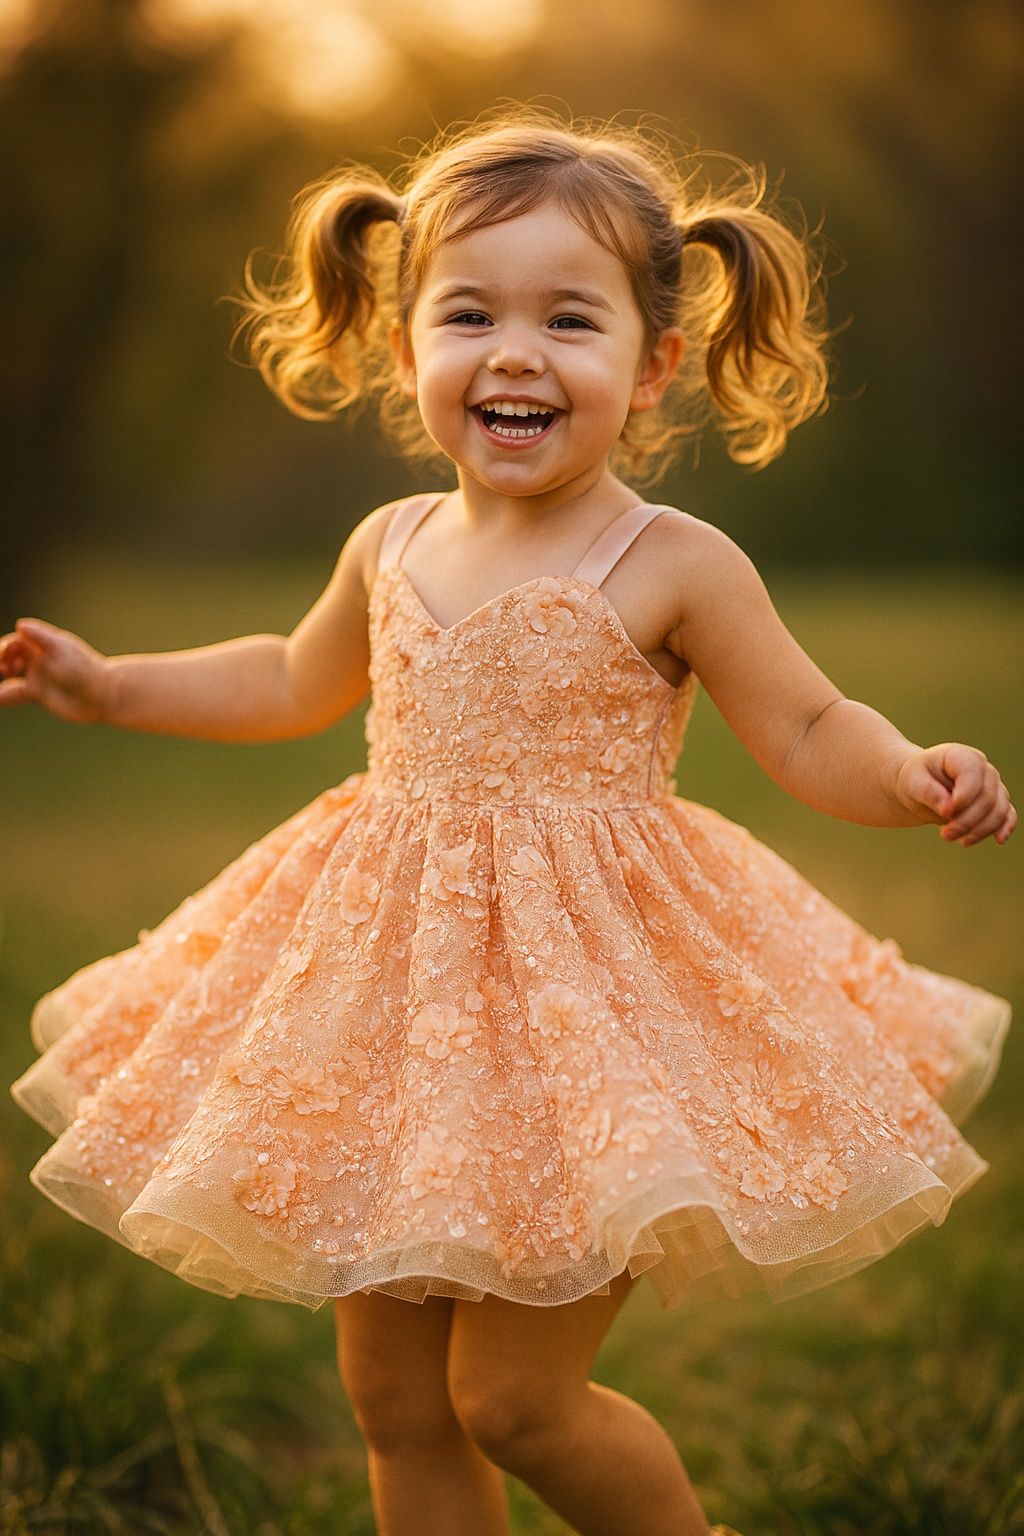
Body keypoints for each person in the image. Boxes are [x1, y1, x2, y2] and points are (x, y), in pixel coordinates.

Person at [1, 113, 1015, 1536]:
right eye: (469, 312)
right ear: (404, 342)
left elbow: (802, 725)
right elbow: (294, 678)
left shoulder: (673, 561)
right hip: (388, 1002)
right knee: (401, 1405)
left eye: (570, 318)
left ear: (654, 362)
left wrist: (910, 771)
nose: (516, 352)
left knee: (513, 1402)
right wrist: (111, 686)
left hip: (583, 1009)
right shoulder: (392, 541)